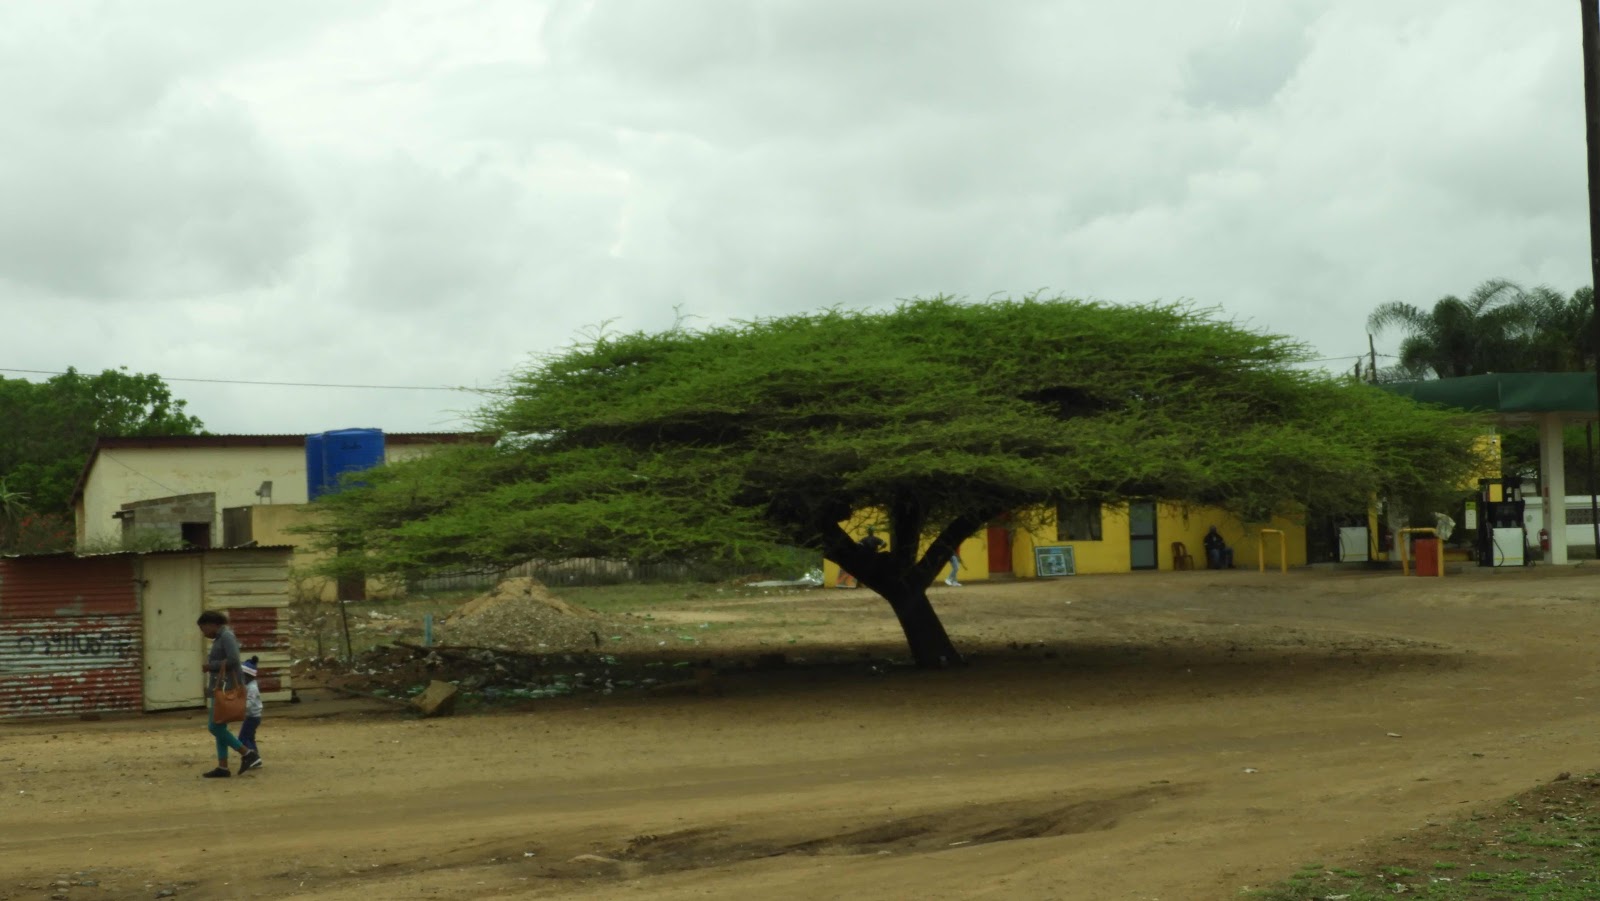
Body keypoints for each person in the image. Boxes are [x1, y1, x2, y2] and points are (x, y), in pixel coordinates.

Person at [197, 611, 260, 778]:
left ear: (212, 624)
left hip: (227, 688)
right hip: (221, 687)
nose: (203, 633)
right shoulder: (221, 637)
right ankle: (223, 767)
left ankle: (247, 753)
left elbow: (233, 660)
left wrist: (211, 666)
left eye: (203, 628)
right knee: (220, 726)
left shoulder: (226, 636)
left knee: (214, 727)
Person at [238, 656, 265, 768]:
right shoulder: (248, 685)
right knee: (250, 738)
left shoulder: (252, 688)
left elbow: (250, 703)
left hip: (253, 717)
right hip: (252, 716)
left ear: (249, 676)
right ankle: (256, 760)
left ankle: (253, 757)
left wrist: (239, 708)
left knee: (242, 738)